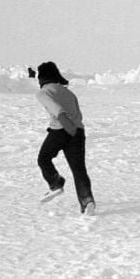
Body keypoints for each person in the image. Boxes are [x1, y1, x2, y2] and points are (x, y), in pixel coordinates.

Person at [35, 62, 95, 214]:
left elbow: (57, 109)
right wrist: (74, 130)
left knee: (44, 158)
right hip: (78, 132)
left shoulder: (43, 92)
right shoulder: (68, 92)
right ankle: (87, 201)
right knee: (78, 169)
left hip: (61, 129)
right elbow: (78, 114)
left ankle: (56, 183)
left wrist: (66, 125)